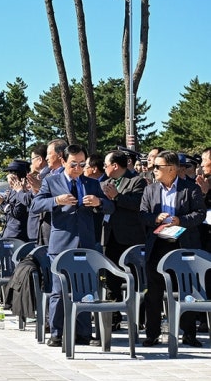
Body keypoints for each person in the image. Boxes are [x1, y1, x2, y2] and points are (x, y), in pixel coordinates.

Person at [31, 143, 113, 348]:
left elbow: (111, 205)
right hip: (61, 244)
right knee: (59, 290)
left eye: (82, 164)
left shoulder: (92, 183)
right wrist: (56, 201)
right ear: (64, 161)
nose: (78, 168)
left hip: (85, 243)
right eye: (73, 164)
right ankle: (57, 332)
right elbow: (35, 205)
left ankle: (83, 332)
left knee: (84, 288)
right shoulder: (51, 181)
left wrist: (99, 203)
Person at [139, 150, 206, 348]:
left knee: (187, 290)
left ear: (171, 169)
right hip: (158, 245)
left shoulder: (190, 188)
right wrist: (155, 219)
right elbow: (142, 215)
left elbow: (200, 214)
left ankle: (188, 334)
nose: (153, 170)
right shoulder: (150, 190)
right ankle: (152, 334)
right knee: (154, 291)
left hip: (183, 244)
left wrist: (181, 220)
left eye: (157, 167)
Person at [100, 150, 147, 330]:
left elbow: (138, 204)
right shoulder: (105, 183)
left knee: (136, 280)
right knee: (111, 280)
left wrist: (117, 196)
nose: (104, 168)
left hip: (130, 239)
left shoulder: (137, 181)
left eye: (106, 165)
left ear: (115, 165)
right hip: (110, 237)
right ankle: (114, 317)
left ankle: (139, 318)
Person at [0, 160, 30, 241]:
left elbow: (17, 212)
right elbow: (6, 210)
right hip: (8, 231)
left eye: (9, 173)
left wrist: (2, 203)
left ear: (15, 176)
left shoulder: (22, 191)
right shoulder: (11, 190)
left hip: (17, 234)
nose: (7, 176)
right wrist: (2, 202)